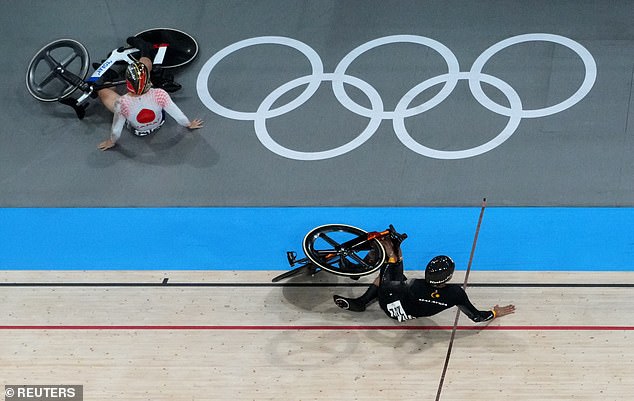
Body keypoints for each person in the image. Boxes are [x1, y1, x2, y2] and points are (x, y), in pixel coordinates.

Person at [333, 235, 515, 323]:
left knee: (388, 268)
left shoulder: (416, 284)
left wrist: (392, 253)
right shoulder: (456, 294)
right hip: (409, 312)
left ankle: (361, 302)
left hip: (391, 305)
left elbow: (391, 281)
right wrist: (495, 313)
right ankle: (390, 255)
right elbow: (476, 317)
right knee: (395, 269)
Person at [97, 37, 204, 151]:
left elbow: (116, 129)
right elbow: (177, 114)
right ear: (149, 82)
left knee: (103, 92)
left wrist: (111, 141)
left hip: (138, 131)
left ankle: (109, 79)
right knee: (144, 67)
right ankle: (145, 50)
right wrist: (189, 124)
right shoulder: (159, 94)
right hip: (159, 122)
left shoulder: (122, 103)